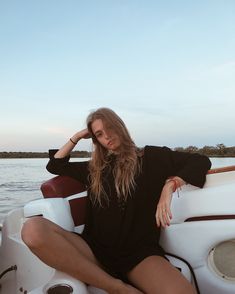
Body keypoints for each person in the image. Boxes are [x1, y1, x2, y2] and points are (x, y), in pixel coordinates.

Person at [21, 107, 211, 294]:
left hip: (138, 254)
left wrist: (170, 185)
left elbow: (200, 161)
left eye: (110, 128)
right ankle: (117, 288)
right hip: (94, 249)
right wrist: (78, 136)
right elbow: (55, 165)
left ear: (120, 126)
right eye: (99, 134)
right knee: (33, 229)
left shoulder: (151, 157)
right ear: (96, 139)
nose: (107, 136)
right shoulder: (94, 169)